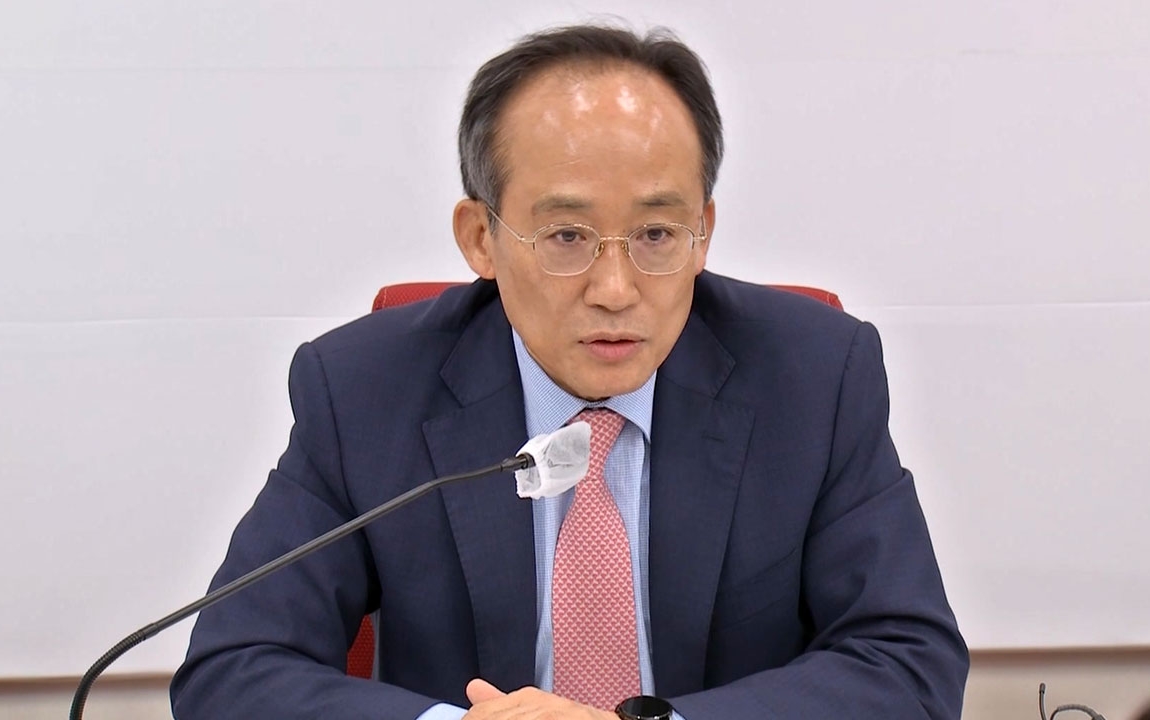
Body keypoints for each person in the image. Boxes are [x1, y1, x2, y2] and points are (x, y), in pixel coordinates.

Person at [171, 23, 969, 720]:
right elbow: (232, 670)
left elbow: (908, 663)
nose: (615, 290)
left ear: (702, 233)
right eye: (565, 237)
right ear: (480, 238)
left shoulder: (814, 378)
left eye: (656, 235)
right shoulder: (363, 390)